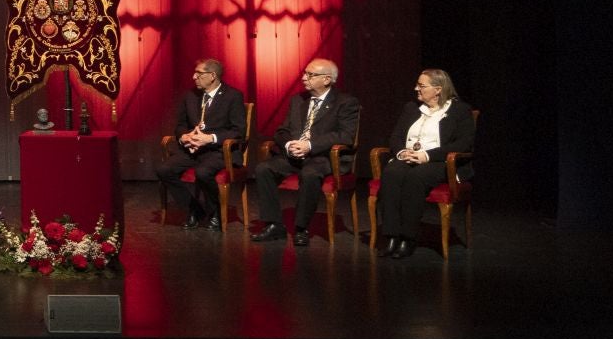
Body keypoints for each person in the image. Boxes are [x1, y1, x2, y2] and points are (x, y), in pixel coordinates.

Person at [251, 57, 360, 246]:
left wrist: (309, 146)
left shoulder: (345, 102)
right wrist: (289, 144)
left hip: (322, 157)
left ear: (327, 79)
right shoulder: (298, 100)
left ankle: (301, 228)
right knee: (263, 169)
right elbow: (282, 130)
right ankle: (274, 225)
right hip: (294, 155)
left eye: (310, 75)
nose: (303, 78)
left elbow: (345, 136)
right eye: (304, 73)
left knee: (310, 173)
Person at [378, 68, 476, 259]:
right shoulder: (411, 108)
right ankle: (391, 236)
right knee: (391, 173)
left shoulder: (459, 110)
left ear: (438, 89)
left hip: (438, 161)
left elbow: (463, 144)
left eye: (421, 86)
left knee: (416, 177)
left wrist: (426, 156)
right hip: (408, 157)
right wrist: (401, 152)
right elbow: (396, 136)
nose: (416, 89)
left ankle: (408, 238)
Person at [153, 60, 246, 230]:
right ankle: (194, 210)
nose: (193, 77)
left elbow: (238, 131)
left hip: (217, 151)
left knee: (203, 172)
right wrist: (184, 136)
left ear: (212, 76)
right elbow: (180, 125)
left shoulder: (233, 96)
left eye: (199, 73)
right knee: (163, 170)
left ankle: (216, 211)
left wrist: (210, 138)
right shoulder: (191, 96)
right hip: (192, 150)